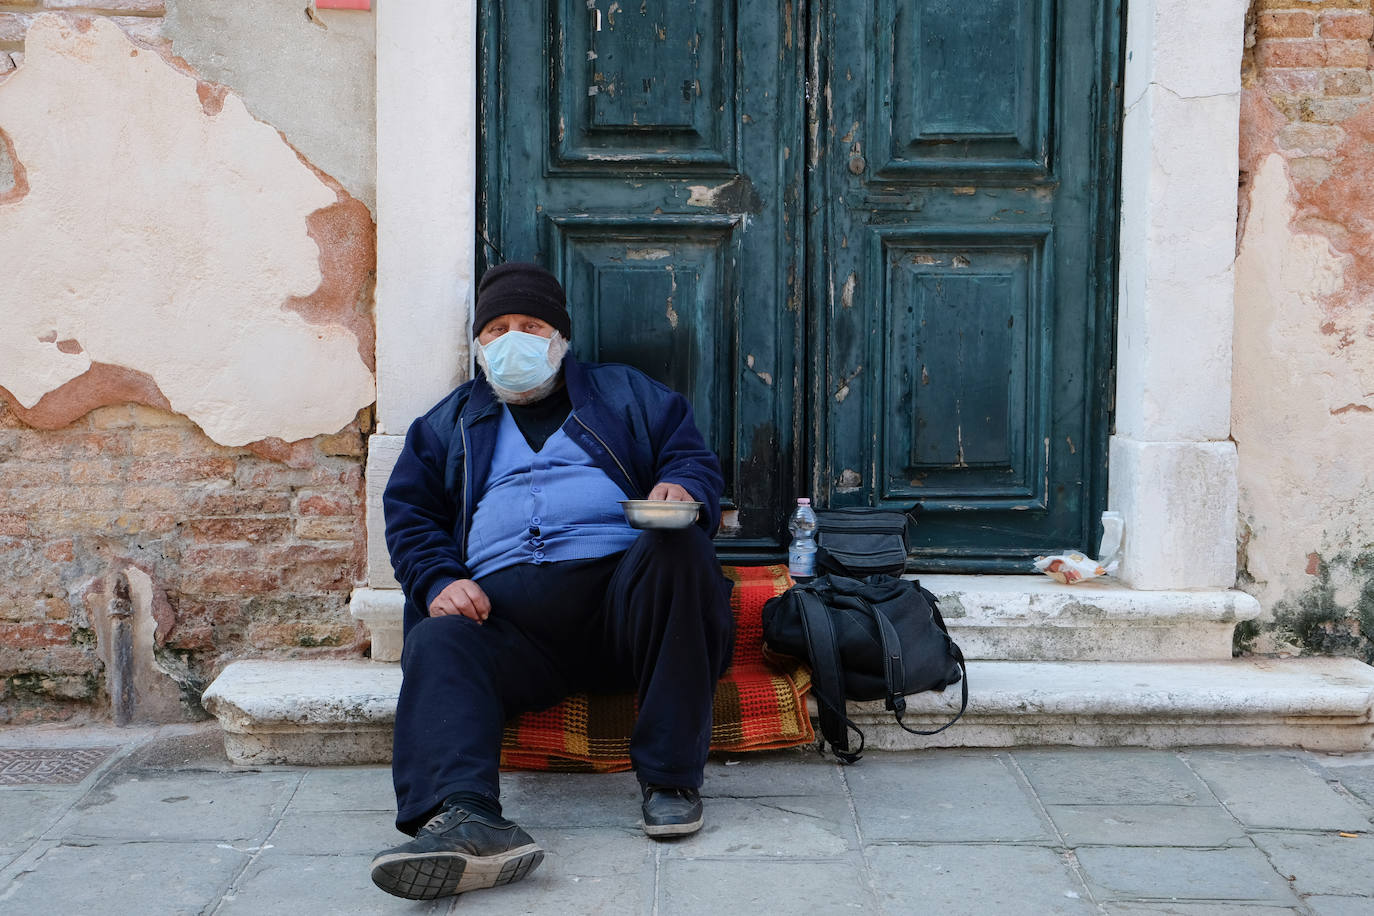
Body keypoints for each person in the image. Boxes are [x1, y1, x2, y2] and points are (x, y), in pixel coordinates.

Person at [370, 262, 735, 901]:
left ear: (560, 338)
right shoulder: (447, 424)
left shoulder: (627, 395)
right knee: (437, 637)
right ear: (479, 345)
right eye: (498, 329)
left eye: (531, 325)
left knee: (680, 551)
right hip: (508, 629)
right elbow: (411, 515)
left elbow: (690, 456)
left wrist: (685, 487)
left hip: (626, 609)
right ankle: (468, 818)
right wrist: (436, 580)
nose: (513, 339)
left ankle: (672, 781)